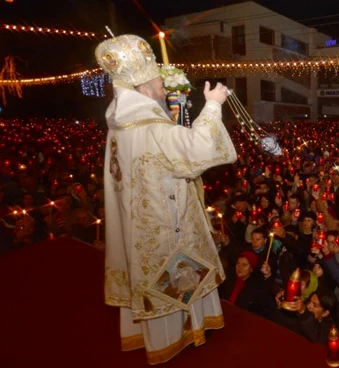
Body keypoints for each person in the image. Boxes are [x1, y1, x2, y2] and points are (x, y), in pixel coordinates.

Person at [97, 34, 237, 364]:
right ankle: (177, 335)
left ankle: (181, 331)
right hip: (164, 220)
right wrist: (214, 103)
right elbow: (197, 148)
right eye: (159, 80)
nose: (163, 85)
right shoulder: (146, 126)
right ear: (144, 86)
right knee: (170, 271)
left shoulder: (121, 125)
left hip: (141, 221)